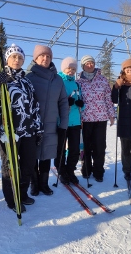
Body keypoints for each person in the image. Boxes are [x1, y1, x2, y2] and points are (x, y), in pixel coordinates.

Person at [0, 44, 43, 212]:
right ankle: (12, 199)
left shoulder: (27, 82)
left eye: (20, 57)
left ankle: (22, 193)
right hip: (8, 132)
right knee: (10, 166)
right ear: (7, 59)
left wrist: (38, 129)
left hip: (28, 131)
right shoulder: (0, 79)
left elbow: (34, 107)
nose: (17, 60)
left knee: (28, 164)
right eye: (13, 57)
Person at [26, 45, 69, 196]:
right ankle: (34, 183)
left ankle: (44, 183)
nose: (45, 59)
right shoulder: (29, 78)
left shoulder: (57, 79)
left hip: (51, 124)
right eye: (42, 56)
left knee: (46, 155)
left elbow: (63, 101)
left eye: (48, 56)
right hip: (32, 125)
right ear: (36, 58)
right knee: (32, 155)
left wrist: (64, 123)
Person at [76, 55, 115, 182]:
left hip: (100, 118)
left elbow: (108, 99)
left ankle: (99, 170)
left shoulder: (103, 80)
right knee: (86, 146)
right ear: (83, 66)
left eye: (92, 63)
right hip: (85, 119)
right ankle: (86, 169)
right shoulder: (79, 82)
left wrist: (111, 115)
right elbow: (77, 100)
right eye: (87, 63)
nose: (90, 65)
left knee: (99, 146)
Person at [55, 57, 83, 185]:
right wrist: (66, 102)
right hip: (62, 121)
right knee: (60, 149)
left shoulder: (77, 84)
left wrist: (81, 104)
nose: (71, 71)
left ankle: (70, 170)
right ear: (63, 69)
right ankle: (62, 171)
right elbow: (55, 101)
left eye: (73, 69)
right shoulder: (59, 81)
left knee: (75, 149)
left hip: (75, 121)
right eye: (68, 68)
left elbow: (81, 101)